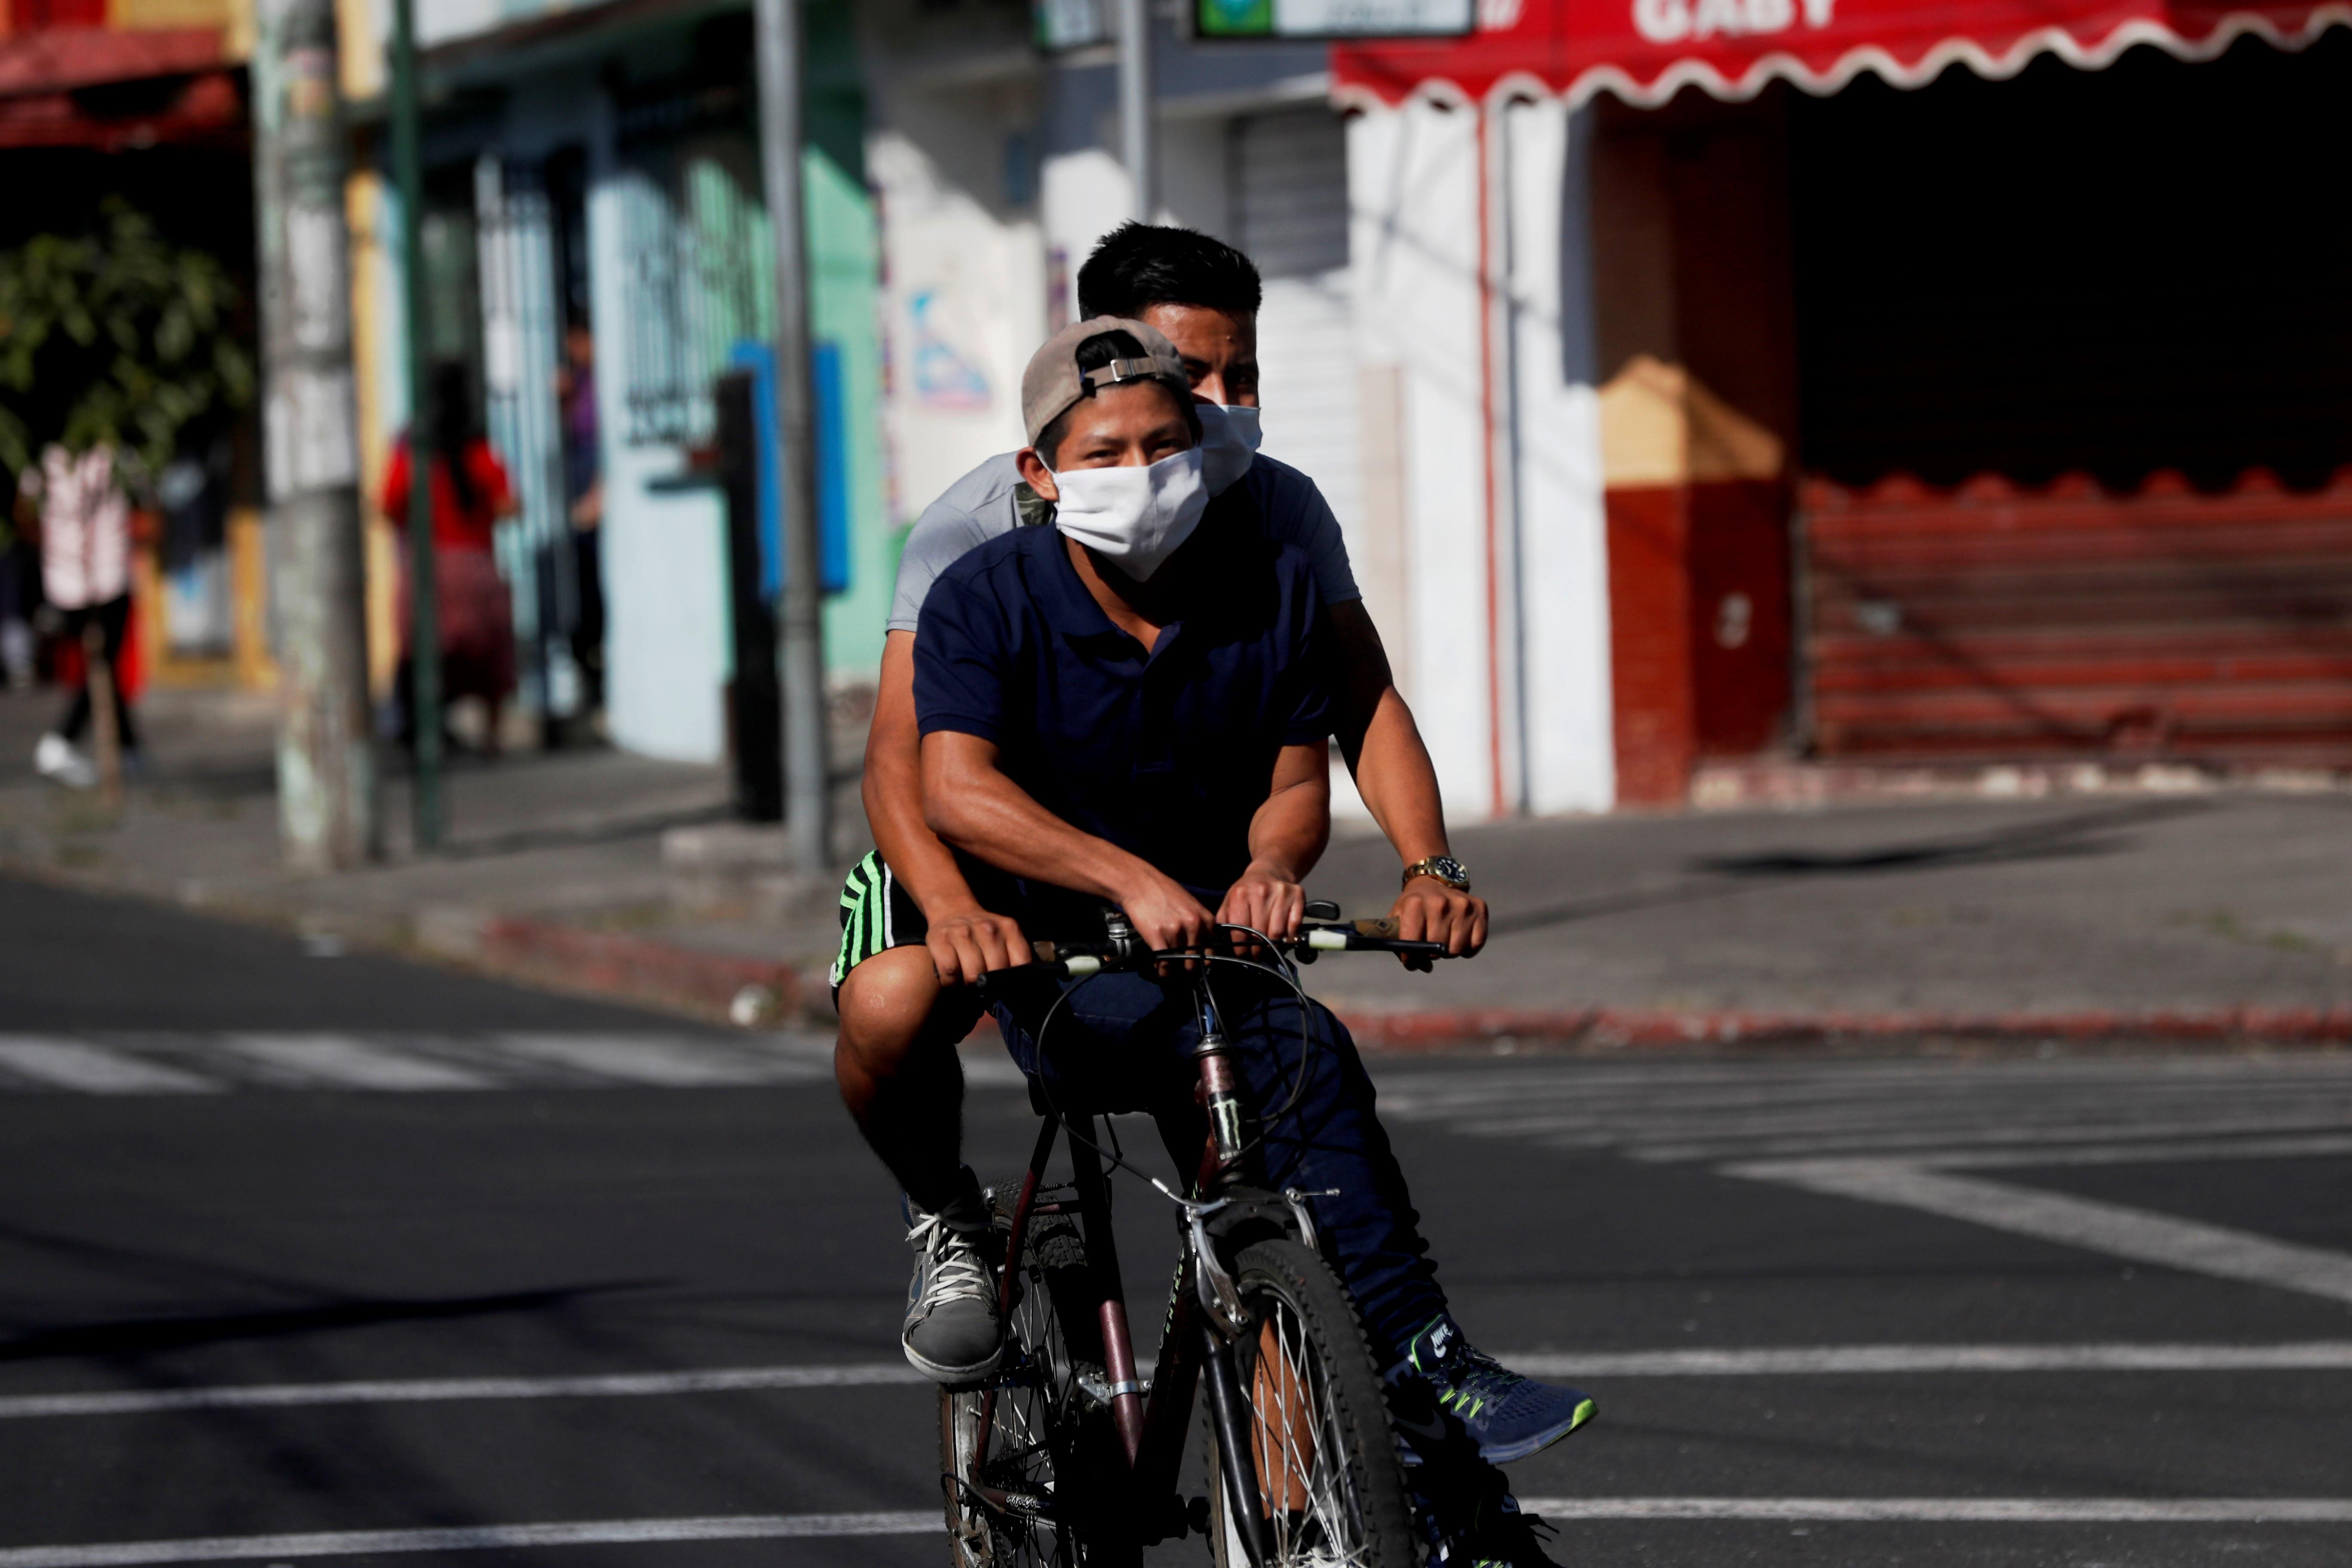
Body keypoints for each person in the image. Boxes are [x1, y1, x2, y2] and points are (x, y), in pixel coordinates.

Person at [912, 317, 1589, 1565]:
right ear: (1043, 474)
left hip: (1221, 950)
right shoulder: (982, 595)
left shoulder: (1268, 578)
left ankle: (1417, 1355)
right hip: (1071, 963)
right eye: (1107, 452)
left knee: (1312, 1060)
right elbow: (956, 789)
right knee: (1122, 1048)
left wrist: (1274, 870)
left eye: (1168, 444)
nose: (1145, 471)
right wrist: (1123, 880)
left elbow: (1297, 782)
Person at [835, 225, 1489, 1342]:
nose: (1226, 404)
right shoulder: (975, 527)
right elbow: (907, 763)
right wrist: (949, 906)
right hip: (986, 845)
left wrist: (1430, 864)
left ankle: (1310, 1469)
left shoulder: (1280, 513)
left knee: (1246, 1133)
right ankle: (948, 1213)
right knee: (891, 1005)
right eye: (1198, 375)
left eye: (1245, 376)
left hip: (1172, 851)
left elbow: (1363, 701)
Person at [381, 362, 520, 755]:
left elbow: (390, 503)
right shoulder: (478, 448)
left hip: (426, 568)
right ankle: (493, 736)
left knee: (425, 651)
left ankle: (425, 730)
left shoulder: (412, 450)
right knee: (489, 654)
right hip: (475, 565)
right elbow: (509, 504)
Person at [18, 442, 138, 787]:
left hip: (102, 575)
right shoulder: (53, 457)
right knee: (100, 666)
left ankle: (130, 749)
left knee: (104, 667)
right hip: (77, 579)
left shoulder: (114, 453)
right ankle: (60, 743)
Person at [556, 318, 605, 718]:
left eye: (578, 339)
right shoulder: (579, 384)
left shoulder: (602, 382)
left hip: (591, 493)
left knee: (592, 586)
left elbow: (606, 441)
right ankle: (585, 671)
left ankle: (596, 673)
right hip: (576, 488)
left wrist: (597, 493)